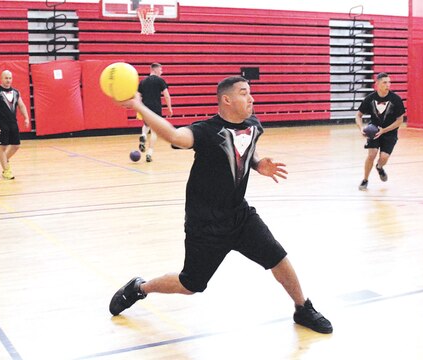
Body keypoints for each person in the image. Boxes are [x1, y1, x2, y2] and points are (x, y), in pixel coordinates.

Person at [109, 76, 333, 334]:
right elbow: (173, 135)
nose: (252, 98)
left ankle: (302, 308)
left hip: (240, 216)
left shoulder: (253, 125)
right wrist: (140, 106)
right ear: (227, 99)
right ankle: (139, 288)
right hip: (205, 224)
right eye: (244, 93)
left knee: (278, 258)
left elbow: (245, 150)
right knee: (190, 284)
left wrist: (258, 164)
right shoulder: (205, 131)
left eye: (250, 93)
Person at [355, 72, 405, 191]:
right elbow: (358, 115)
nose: (388, 85)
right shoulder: (370, 98)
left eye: (389, 82)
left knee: (384, 157)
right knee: (371, 155)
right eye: (385, 82)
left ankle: (379, 167)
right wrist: (361, 128)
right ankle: (365, 180)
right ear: (377, 84)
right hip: (375, 130)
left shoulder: (396, 99)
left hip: (389, 132)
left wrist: (384, 130)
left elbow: (400, 121)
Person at [0, 70, 29, 180]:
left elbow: (21, 105)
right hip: (1, 124)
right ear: (1, 79)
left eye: (10, 78)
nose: (8, 80)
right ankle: (6, 170)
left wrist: (26, 117)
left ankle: (4, 160)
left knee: (16, 146)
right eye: (6, 78)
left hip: (13, 123)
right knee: (3, 147)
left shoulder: (16, 92)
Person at [137, 62, 173, 162]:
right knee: (154, 131)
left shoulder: (143, 81)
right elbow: (166, 95)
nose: (162, 72)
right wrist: (169, 108)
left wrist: (138, 107)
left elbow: (138, 96)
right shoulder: (160, 81)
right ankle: (149, 153)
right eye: (161, 70)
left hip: (145, 107)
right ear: (155, 70)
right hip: (156, 108)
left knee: (146, 124)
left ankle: (143, 135)